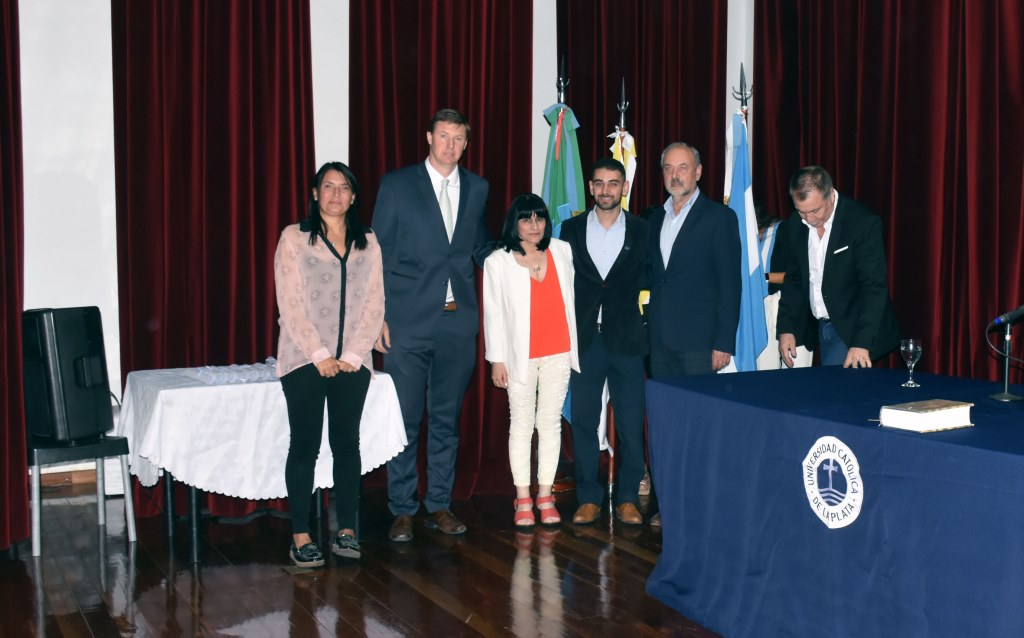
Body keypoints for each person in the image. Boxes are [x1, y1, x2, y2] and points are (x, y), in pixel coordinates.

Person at [372, 108, 492, 542]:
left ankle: (438, 503)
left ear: (465, 143)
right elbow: (377, 254)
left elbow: (479, 247)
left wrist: (519, 256)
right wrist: (378, 317)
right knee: (405, 420)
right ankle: (402, 508)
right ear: (428, 137)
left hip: (457, 324)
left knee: (446, 418)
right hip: (406, 323)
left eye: (458, 139)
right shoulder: (397, 184)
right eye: (443, 137)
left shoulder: (478, 188)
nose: (450, 146)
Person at [274, 161, 385, 567]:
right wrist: (320, 356)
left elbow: (375, 302)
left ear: (354, 197)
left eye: (344, 188)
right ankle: (301, 535)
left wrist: (353, 356)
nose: (336, 194)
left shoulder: (368, 241)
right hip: (304, 359)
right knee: (304, 445)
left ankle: (347, 531)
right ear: (315, 193)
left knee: (347, 445)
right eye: (328, 187)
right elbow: (289, 302)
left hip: (353, 362)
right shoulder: (294, 238)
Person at [560, 158, 649, 526]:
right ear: (591, 187)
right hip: (583, 340)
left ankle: (628, 497)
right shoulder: (570, 228)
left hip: (628, 339)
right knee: (583, 421)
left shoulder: (645, 230)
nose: (606, 190)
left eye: (614, 183)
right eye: (599, 183)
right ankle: (588, 498)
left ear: (624, 187)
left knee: (630, 421)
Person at [484, 194, 579, 527]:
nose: (534, 225)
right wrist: (497, 359)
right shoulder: (498, 262)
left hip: (558, 352)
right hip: (519, 357)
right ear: (515, 224)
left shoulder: (562, 251)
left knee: (550, 423)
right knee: (522, 423)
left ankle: (545, 495)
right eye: (526, 219)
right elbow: (493, 314)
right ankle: (523, 497)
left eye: (539, 218)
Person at [776, 166, 900, 368]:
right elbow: (795, 279)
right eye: (801, 211)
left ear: (831, 195)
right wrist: (786, 328)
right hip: (820, 325)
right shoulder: (795, 224)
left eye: (815, 210)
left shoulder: (862, 223)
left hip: (853, 325)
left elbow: (873, 286)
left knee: (832, 391)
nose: (809, 219)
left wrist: (861, 342)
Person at [647, 142, 741, 377]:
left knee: (697, 413)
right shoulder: (654, 219)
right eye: (668, 169)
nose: (674, 176)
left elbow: (730, 285)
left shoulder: (720, 218)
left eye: (682, 168)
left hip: (700, 345)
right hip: (659, 343)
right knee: (664, 412)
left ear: (698, 172)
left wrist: (723, 342)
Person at [756, 207, 814, 369]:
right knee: (764, 375)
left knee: (795, 372)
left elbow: (794, 276)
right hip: (760, 310)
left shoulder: (784, 230)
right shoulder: (745, 240)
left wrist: (761, 278)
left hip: (788, 303)